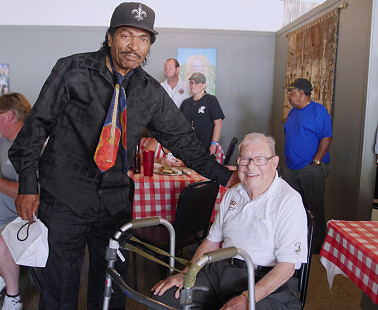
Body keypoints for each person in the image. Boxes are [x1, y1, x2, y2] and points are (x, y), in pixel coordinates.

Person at [8, 2, 237, 310]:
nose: (134, 45)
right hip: (64, 197)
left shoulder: (149, 91)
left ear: (149, 46)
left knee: (111, 285)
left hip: (113, 203)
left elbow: (184, 142)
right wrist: (27, 185)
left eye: (143, 39)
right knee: (59, 285)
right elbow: (35, 128)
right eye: (126, 35)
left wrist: (228, 176)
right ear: (110, 37)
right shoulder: (72, 69)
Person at [151, 132, 308, 310]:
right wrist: (187, 275)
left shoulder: (288, 200)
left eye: (260, 159)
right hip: (221, 271)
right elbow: (212, 242)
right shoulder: (234, 193)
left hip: (265, 280)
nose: (251, 166)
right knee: (163, 299)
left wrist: (248, 297)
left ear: (274, 162)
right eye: (244, 159)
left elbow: (287, 267)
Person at [283, 78, 332, 254]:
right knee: (295, 207)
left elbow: (326, 138)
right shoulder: (292, 112)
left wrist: (317, 161)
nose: (288, 96)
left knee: (315, 208)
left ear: (302, 93)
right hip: (291, 168)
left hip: (311, 168)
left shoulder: (318, 111)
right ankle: (299, 242)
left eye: (291, 92)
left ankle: (318, 246)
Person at [0, 92, 32, 310]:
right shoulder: (4, 141)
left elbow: (29, 193)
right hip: (5, 215)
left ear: (10, 116)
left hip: (20, 219)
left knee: (2, 243)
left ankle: (13, 297)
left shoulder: (29, 146)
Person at [180, 72, 225, 155]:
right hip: (188, 147)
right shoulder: (185, 103)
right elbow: (180, 125)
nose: (193, 85)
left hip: (206, 146)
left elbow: (218, 124)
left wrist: (213, 144)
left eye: (197, 83)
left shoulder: (211, 100)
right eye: (191, 82)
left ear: (204, 85)